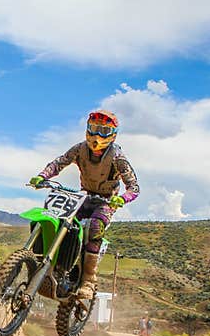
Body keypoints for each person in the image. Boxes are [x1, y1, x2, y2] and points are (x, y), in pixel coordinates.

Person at [29, 109, 140, 301]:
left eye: (103, 131)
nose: (97, 135)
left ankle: (88, 280)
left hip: (106, 201)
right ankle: (53, 264)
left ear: (112, 135)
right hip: (84, 196)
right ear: (87, 129)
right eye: (94, 129)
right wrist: (42, 176)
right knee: (60, 219)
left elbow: (134, 187)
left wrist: (122, 198)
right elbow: (59, 163)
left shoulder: (117, 157)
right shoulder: (80, 149)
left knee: (95, 227)